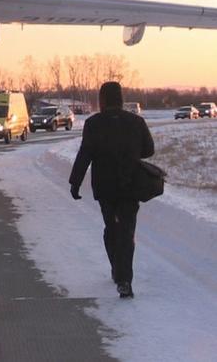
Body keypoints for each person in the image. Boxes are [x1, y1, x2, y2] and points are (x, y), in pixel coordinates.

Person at [69, 82, 154, 299]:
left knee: (111, 228)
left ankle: (118, 272)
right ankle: (124, 278)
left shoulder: (93, 124)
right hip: (130, 185)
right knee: (126, 231)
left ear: (102, 99)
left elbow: (84, 154)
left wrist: (75, 182)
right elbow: (149, 150)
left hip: (105, 188)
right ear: (121, 98)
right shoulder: (136, 122)